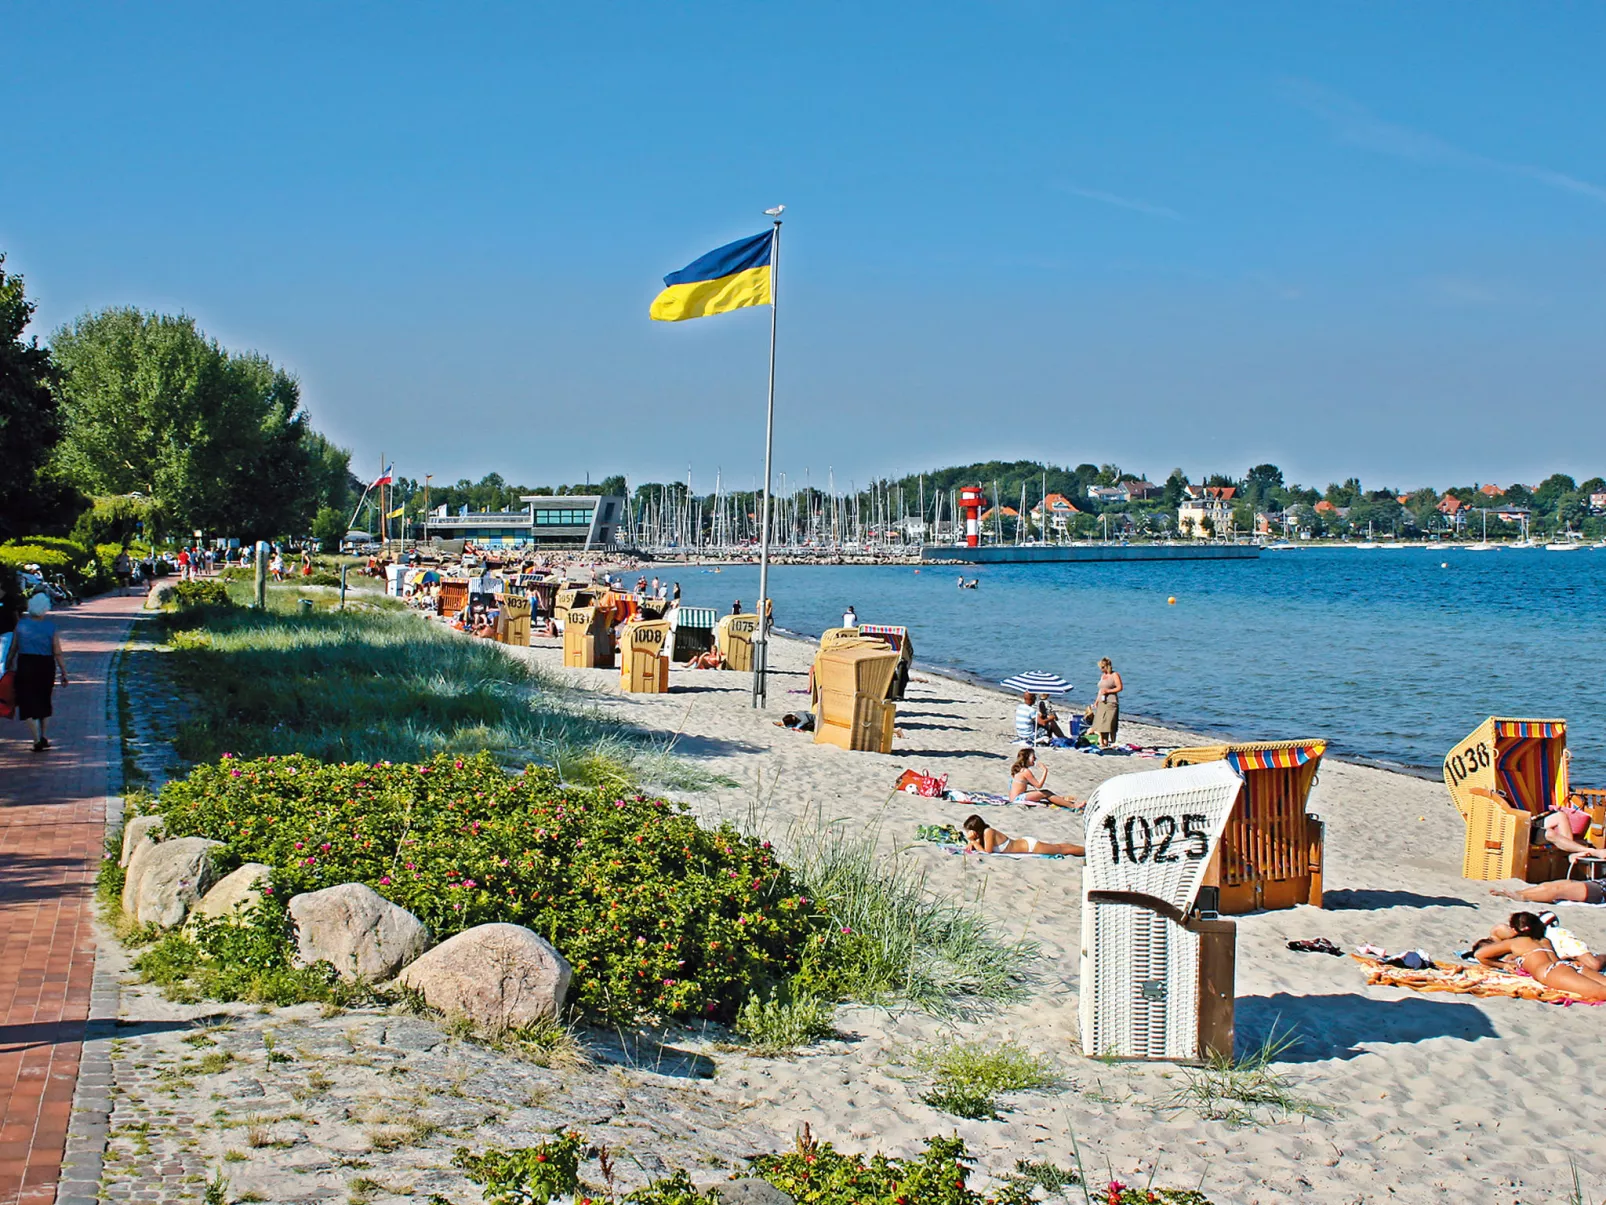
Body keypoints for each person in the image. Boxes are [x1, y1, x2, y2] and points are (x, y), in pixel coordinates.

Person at [1473, 911, 1606, 1000]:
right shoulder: (1544, 940)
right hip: (1571, 966)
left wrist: (1503, 965)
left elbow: (1480, 955)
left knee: (1601, 992)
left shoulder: (1516, 942)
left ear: (1514, 930)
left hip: (1552, 972)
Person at [6, 593, 69, 752]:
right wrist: (63, 671)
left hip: (26, 663)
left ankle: (35, 739)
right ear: (45, 609)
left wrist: (8, 663)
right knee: (44, 698)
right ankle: (44, 735)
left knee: (26, 700)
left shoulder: (21, 625)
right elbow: (57, 652)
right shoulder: (51, 627)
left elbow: (13, 648)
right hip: (46, 665)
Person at [961, 814, 1083, 857]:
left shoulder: (988, 832)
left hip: (1030, 846)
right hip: (1024, 844)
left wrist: (973, 841)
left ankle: (1086, 851)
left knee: (1061, 850)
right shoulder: (982, 836)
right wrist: (972, 842)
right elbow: (973, 848)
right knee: (1058, 847)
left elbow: (987, 853)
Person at [1008, 748, 1080, 808]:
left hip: (1013, 797)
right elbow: (1038, 785)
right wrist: (1045, 770)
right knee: (1046, 793)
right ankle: (1072, 806)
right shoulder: (1025, 771)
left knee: (1042, 793)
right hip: (1018, 798)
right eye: (1033, 757)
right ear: (1027, 759)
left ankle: (1061, 800)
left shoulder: (1018, 769)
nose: (1035, 759)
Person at [1490, 878, 1606, 906]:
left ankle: (1524, 897)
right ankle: (1519, 893)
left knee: (1558, 890)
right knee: (1549, 885)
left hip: (1601, 891)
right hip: (1598, 884)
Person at [1092, 657, 1123, 748]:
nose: (1101, 669)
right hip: (1102, 702)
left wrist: (1108, 691)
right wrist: (1096, 701)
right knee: (1100, 723)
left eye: (1102, 667)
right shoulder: (1103, 676)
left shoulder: (1114, 675)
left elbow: (1119, 687)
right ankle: (1103, 742)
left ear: (1107, 666)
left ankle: (1108, 741)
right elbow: (1100, 690)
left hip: (1111, 702)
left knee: (1108, 723)